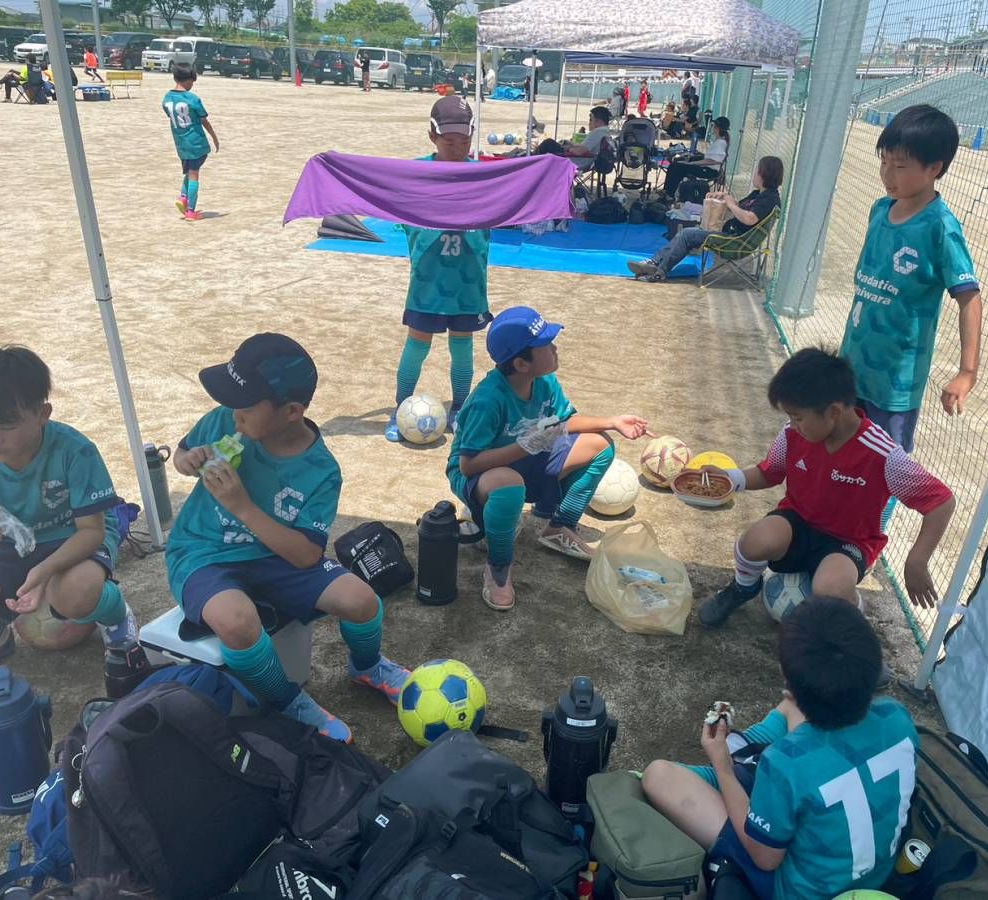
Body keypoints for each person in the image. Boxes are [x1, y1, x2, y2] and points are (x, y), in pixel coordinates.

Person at [164, 334, 411, 744]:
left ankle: (367, 666)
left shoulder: (321, 470)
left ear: (292, 411)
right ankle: (286, 700)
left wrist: (243, 507)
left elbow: (306, 556)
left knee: (361, 600)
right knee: (236, 622)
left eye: (246, 408)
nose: (234, 416)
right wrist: (186, 460)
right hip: (202, 551)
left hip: (277, 555)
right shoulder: (225, 418)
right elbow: (182, 451)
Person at [642, 597, 920, 900]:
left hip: (795, 890)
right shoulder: (898, 716)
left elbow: (765, 858)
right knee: (790, 711)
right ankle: (742, 752)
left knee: (658, 775)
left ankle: (732, 758)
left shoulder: (782, 763)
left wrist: (723, 768)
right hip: (876, 875)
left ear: (787, 679)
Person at [697, 348, 955, 633]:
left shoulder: (882, 454)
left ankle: (853, 618)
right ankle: (742, 588)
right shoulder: (793, 433)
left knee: (830, 589)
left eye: (798, 417)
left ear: (833, 412)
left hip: (848, 542)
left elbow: (941, 502)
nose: (792, 424)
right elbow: (770, 471)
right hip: (798, 522)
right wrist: (731, 479)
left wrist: (917, 559)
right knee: (754, 541)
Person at [447, 307, 650, 610]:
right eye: (545, 344)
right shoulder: (488, 400)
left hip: (528, 458)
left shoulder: (545, 383)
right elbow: (468, 464)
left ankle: (558, 526)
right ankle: (498, 567)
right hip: (483, 472)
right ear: (521, 364)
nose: (554, 347)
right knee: (509, 486)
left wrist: (612, 422)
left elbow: (566, 423)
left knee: (600, 445)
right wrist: (524, 447)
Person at [0, 345, 139, 680]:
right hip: (9, 546)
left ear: (43, 414)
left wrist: (43, 571)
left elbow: (92, 531)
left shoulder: (75, 451)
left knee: (73, 594)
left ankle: (115, 615)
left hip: (73, 536)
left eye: (5, 425)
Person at [841, 104, 982, 460]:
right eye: (884, 162)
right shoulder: (880, 210)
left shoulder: (940, 228)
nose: (888, 174)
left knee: (884, 467)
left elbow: (969, 298)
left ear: (934, 168)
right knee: (839, 457)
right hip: (851, 370)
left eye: (900, 166)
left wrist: (967, 372)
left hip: (894, 386)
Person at [386, 95, 491, 442]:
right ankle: (401, 407)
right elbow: (376, 187)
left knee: (462, 345)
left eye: (464, 141)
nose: (457, 148)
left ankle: (460, 407)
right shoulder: (413, 175)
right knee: (418, 343)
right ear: (432, 135)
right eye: (449, 141)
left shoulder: (486, 177)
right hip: (427, 280)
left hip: (469, 280)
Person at [628, 155, 783, 282]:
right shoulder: (758, 194)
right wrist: (725, 197)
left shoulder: (769, 199)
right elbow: (740, 208)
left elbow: (749, 219)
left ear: (764, 174)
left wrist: (731, 204)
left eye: (757, 170)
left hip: (734, 241)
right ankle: (654, 264)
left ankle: (658, 270)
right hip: (732, 236)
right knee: (689, 234)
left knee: (687, 234)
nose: (754, 174)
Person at [162, 63, 219, 222]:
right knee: (194, 174)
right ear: (188, 79)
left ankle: (183, 198)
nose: (192, 85)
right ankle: (190, 211)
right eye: (192, 81)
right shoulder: (192, 99)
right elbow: (203, 120)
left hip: (180, 143)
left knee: (190, 170)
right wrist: (214, 137)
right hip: (195, 141)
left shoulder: (167, 98)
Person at [661, 115, 728, 198]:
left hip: (709, 171)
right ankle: (667, 192)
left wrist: (693, 163)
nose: (713, 128)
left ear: (717, 128)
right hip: (706, 168)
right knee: (675, 165)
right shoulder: (719, 141)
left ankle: (669, 194)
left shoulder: (721, 143)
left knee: (677, 167)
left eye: (714, 126)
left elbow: (713, 161)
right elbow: (710, 158)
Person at [561, 106, 612, 170]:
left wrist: (568, 149)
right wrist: (572, 144)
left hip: (577, 162)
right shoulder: (605, 132)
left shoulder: (597, 133)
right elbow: (585, 147)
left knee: (550, 145)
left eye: (591, 120)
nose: (589, 123)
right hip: (584, 160)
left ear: (599, 122)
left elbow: (579, 151)